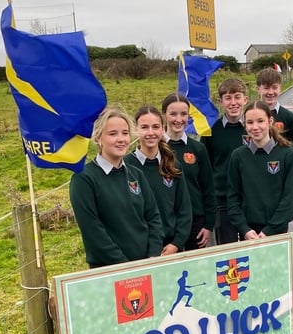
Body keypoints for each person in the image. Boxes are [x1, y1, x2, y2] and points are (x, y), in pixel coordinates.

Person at [69, 106, 164, 268]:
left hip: (147, 266)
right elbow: (93, 231)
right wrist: (124, 266)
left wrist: (153, 256)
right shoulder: (84, 178)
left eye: (125, 133)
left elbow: (153, 217)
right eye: (113, 134)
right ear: (98, 138)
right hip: (109, 271)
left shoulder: (136, 175)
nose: (121, 139)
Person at [125, 105, 192, 256]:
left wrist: (176, 243)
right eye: (144, 127)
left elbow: (184, 209)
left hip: (170, 247)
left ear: (163, 129)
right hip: (139, 249)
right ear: (136, 130)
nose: (150, 133)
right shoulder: (126, 166)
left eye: (155, 127)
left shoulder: (173, 165)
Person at [227, 100, 293, 240]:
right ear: (244, 124)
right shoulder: (238, 156)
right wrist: (244, 229)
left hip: (277, 231)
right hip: (249, 233)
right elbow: (233, 197)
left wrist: (270, 230)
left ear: (270, 121)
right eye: (250, 122)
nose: (255, 127)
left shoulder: (287, 153)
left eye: (260, 121)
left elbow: (290, 197)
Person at [162, 93, 216, 250]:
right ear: (164, 114)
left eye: (183, 114)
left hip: (196, 223)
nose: (179, 119)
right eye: (173, 114)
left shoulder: (198, 148)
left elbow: (208, 188)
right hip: (167, 223)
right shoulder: (156, 148)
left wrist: (208, 225)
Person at [201, 78, 249, 245]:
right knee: (228, 257)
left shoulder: (254, 127)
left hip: (250, 201)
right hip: (223, 202)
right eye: (228, 98)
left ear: (245, 99)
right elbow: (205, 169)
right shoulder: (211, 131)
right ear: (220, 102)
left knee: (253, 253)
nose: (233, 102)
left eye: (237, 97)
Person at [256, 67, 293, 142]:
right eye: (266, 88)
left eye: (275, 88)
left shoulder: (289, 117)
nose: (271, 92)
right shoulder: (251, 115)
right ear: (258, 89)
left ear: (280, 88)